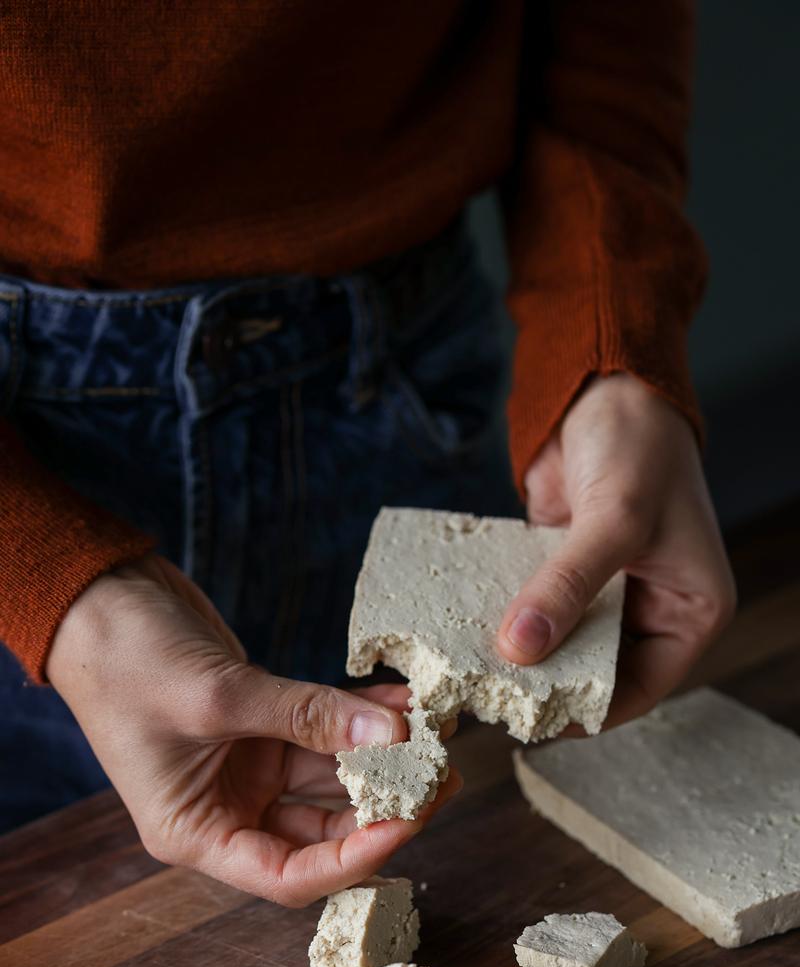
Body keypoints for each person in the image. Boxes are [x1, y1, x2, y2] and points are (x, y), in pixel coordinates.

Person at [0, 2, 735, 904]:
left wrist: (609, 354)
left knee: (473, 856)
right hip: (30, 438)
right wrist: (38, 576)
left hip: (408, 361)